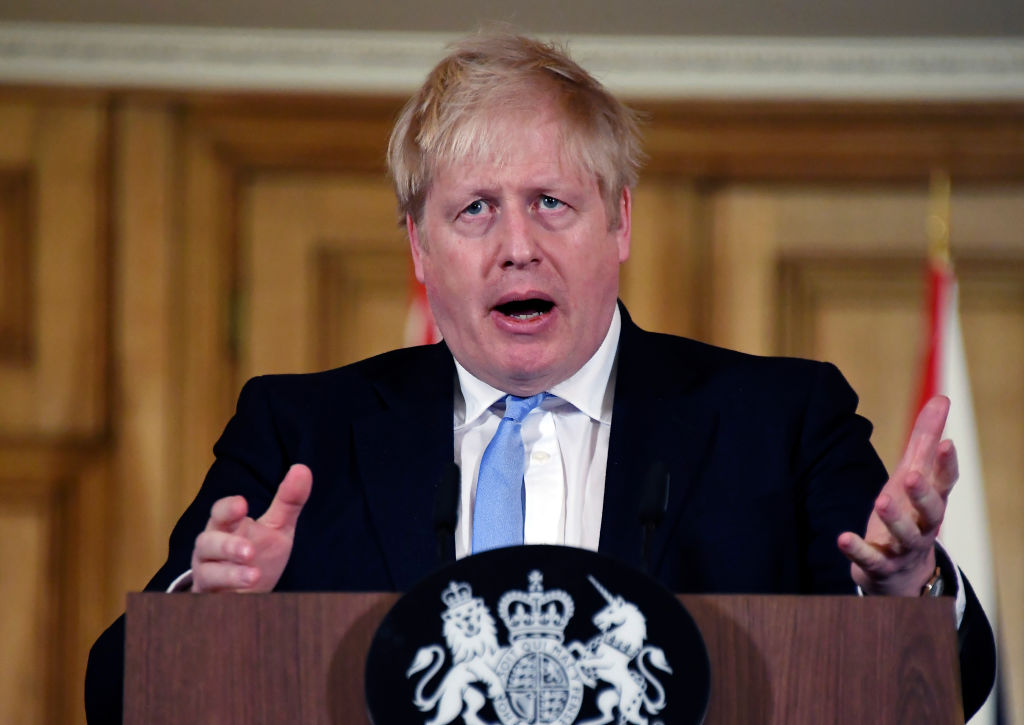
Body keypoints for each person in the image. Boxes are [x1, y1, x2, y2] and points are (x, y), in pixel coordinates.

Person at [85, 31, 995, 722]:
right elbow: (114, 691)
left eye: (552, 203)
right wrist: (205, 613)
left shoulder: (782, 419)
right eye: (475, 209)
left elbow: (950, 686)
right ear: (418, 244)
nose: (518, 247)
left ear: (620, 223)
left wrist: (908, 586)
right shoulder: (298, 430)